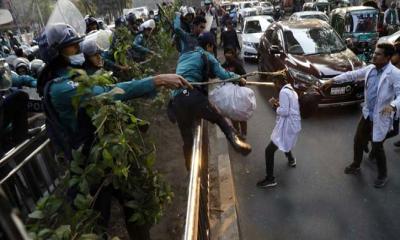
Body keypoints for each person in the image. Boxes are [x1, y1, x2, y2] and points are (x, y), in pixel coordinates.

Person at [39, 23, 192, 239]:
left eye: (76, 44)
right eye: (72, 47)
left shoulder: (75, 76)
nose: (78, 50)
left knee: (135, 205)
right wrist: (157, 80)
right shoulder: (61, 88)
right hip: (89, 166)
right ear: (55, 54)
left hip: (108, 157)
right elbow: (110, 92)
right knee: (97, 223)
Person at [169, 32, 252, 170]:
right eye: (212, 47)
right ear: (208, 45)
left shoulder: (184, 54)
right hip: (192, 95)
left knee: (187, 138)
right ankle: (235, 141)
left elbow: (179, 31)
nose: (212, 50)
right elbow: (223, 74)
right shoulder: (206, 56)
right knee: (218, 117)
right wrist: (239, 78)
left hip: (177, 99)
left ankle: (190, 167)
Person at [322, 43, 400, 188]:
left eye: (378, 54)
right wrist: (333, 80)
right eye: (375, 52)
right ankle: (356, 165)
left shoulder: (394, 73)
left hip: (381, 116)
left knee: (377, 147)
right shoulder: (370, 69)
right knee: (358, 140)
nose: (374, 55)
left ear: (388, 57)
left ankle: (383, 175)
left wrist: (393, 105)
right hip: (367, 114)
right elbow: (352, 75)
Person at [256, 77, 301, 188]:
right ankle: (291, 160)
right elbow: (289, 108)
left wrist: (276, 107)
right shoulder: (291, 90)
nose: (274, 86)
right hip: (293, 124)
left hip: (287, 125)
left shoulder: (283, 91)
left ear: (278, 83)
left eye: (274, 83)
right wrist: (279, 105)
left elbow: (284, 111)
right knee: (285, 141)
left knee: (269, 150)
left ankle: (270, 179)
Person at [221, 46, 247, 138]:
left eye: (230, 53)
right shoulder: (223, 65)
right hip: (229, 93)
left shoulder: (237, 64)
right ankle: (236, 131)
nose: (228, 55)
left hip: (238, 92)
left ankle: (243, 132)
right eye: (226, 53)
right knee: (232, 113)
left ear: (233, 54)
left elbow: (245, 77)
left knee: (241, 112)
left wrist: (238, 81)